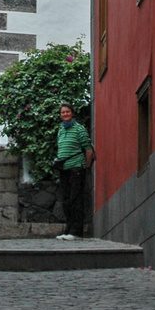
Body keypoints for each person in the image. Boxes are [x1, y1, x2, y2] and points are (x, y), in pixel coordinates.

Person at [55, 102, 93, 240]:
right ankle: (68, 230)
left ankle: (76, 232)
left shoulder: (79, 129)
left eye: (67, 112)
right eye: (63, 112)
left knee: (75, 199)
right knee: (66, 200)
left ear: (72, 113)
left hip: (76, 168)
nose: (65, 114)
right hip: (64, 169)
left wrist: (86, 167)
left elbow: (88, 150)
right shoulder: (61, 130)